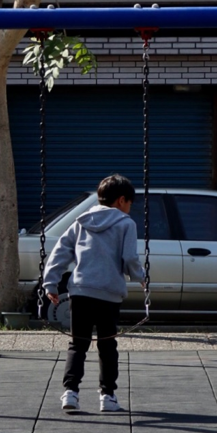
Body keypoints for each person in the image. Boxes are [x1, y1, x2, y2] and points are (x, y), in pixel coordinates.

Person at [41, 174, 147, 414]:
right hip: (108, 294)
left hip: (81, 291)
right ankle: (107, 396)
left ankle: (70, 393)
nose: (130, 209)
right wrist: (141, 277)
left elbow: (60, 252)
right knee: (107, 345)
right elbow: (129, 258)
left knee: (78, 344)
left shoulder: (80, 221)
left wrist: (51, 283)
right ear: (122, 200)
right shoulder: (125, 224)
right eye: (130, 203)